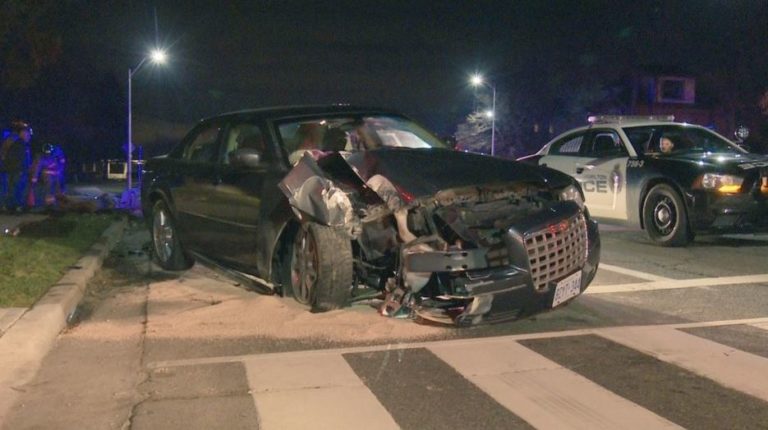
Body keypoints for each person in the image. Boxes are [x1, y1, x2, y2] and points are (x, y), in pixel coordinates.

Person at [0, 120, 33, 212]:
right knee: (15, 187)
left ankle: (11, 206)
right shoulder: (16, 141)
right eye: (27, 133)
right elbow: (6, 154)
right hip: (15, 169)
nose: (28, 136)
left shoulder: (20, 143)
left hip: (17, 169)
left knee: (15, 187)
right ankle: (13, 206)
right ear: (22, 132)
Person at [31, 143, 64, 208]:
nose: (48, 154)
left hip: (56, 175)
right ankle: (49, 204)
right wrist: (35, 177)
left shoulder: (56, 155)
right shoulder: (41, 158)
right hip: (48, 176)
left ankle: (59, 203)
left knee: (58, 189)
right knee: (49, 189)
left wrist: (59, 171)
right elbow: (38, 167)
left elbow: (61, 164)